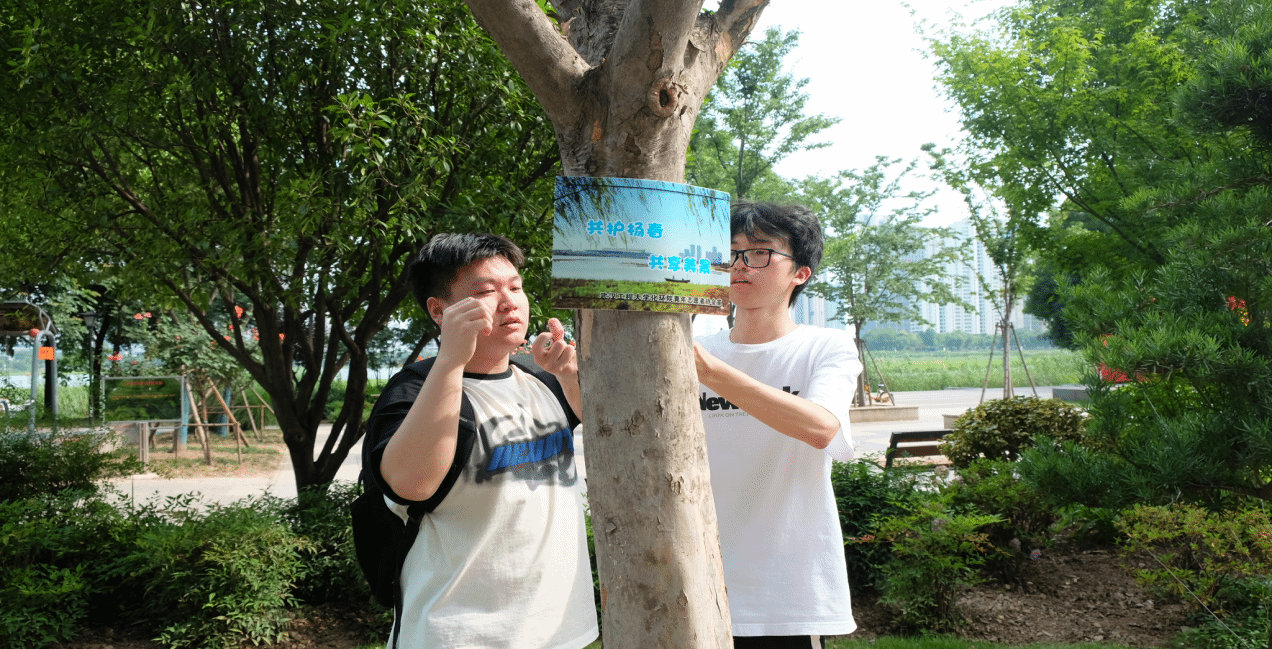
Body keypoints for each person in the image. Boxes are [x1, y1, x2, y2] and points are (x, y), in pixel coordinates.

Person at [367, 233, 598, 649]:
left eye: (516, 287)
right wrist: (451, 360)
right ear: (439, 310)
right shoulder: (413, 393)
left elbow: (605, 430)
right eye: (487, 292)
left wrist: (567, 376)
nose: (510, 303)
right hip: (459, 636)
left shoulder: (541, 379)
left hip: (562, 631)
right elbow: (410, 484)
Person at [694, 201, 863, 648]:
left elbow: (821, 428)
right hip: (698, 579)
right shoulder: (697, 350)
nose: (739, 265)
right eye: (732, 253)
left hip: (785, 592)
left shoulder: (826, 347)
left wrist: (713, 375)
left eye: (759, 252)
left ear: (800, 273)